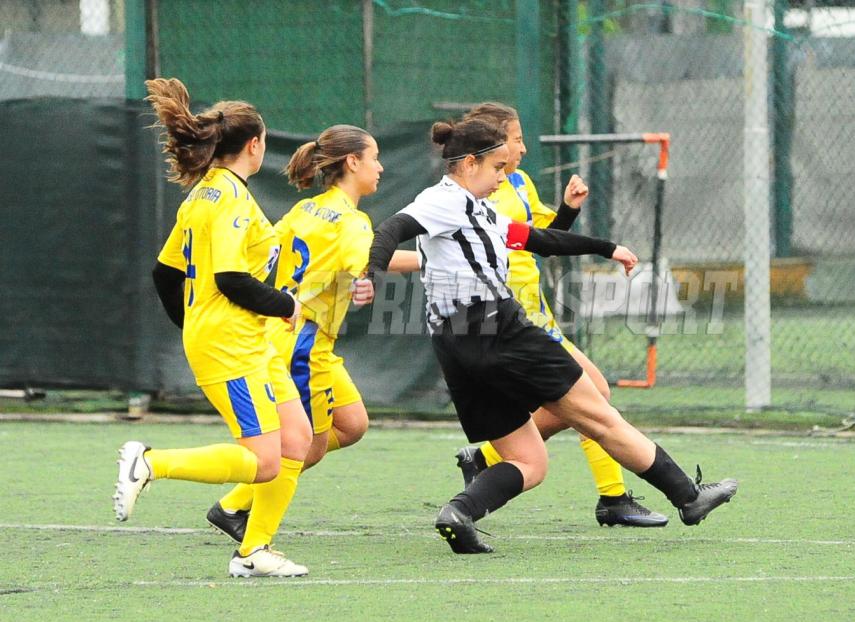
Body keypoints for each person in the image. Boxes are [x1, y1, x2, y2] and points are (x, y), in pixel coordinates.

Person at [356, 117, 738, 554]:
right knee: (600, 416)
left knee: (529, 461)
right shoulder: (444, 201)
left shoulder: (477, 210)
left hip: (454, 343)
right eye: (497, 167)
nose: (503, 176)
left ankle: (459, 513)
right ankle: (688, 496)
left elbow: (536, 239)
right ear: (469, 163)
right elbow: (392, 229)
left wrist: (605, 247)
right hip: (499, 328)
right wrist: (371, 273)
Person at [113, 78, 311, 577]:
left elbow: (165, 274)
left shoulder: (204, 194)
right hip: (232, 345)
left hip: (246, 340)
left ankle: (254, 552)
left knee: (297, 439)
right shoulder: (227, 198)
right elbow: (230, 278)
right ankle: (151, 463)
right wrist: (284, 304)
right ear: (254, 145)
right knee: (264, 461)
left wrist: (196, 324)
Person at [454, 102, 666, 527]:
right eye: (516, 140)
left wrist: (567, 209)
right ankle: (612, 497)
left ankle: (488, 458)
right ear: (493, 145)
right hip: (510, 318)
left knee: (587, 399)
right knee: (593, 395)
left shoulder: (518, 181)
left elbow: (546, 237)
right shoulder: (475, 194)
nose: (523, 148)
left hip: (536, 312)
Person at [204, 124, 418, 543]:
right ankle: (233, 507)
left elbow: (268, 250)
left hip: (287, 333)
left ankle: (238, 503)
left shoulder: (306, 209)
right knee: (308, 447)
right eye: (374, 158)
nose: (380, 167)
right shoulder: (351, 221)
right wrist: (435, 261)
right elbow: (369, 257)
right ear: (352, 162)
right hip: (305, 344)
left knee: (352, 424)